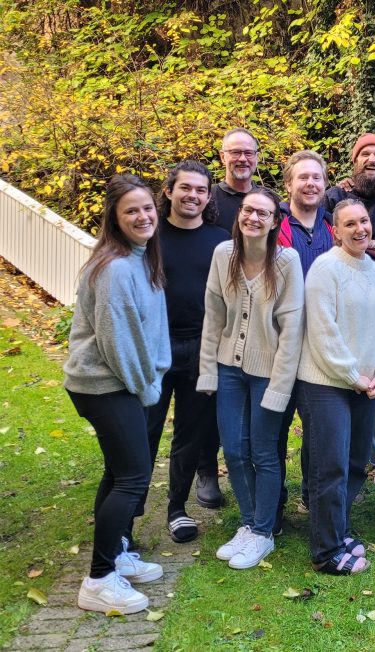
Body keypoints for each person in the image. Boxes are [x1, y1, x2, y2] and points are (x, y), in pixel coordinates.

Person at [64, 174, 169, 614]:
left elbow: (148, 332)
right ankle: (99, 579)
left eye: (147, 208)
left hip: (122, 383)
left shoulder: (141, 259)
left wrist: (149, 379)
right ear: (114, 217)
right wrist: (146, 387)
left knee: (119, 472)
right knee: (133, 478)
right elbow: (118, 342)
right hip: (106, 385)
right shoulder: (116, 268)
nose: (142, 217)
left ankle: (117, 552)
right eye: (131, 211)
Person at [198, 188, 304, 570]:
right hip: (229, 368)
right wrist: (207, 370)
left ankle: (263, 531)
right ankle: (248, 524)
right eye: (247, 210)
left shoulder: (286, 261)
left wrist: (280, 387)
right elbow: (213, 316)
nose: (253, 218)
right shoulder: (223, 255)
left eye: (263, 213)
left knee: (263, 453)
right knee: (233, 450)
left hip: (268, 373)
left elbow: (292, 329)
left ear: (275, 221)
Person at [295, 198, 375, 575]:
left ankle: (337, 530)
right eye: (350, 224)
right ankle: (326, 552)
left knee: (356, 464)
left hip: (367, 385)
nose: (360, 229)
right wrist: (354, 377)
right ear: (336, 232)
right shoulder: (325, 269)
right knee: (331, 466)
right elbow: (323, 333)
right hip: (326, 383)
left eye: (364, 221)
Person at [147, 161, 229, 544]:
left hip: (202, 348)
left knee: (190, 434)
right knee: (145, 431)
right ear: (169, 191)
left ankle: (176, 508)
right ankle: (129, 509)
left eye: (200, 190)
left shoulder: (220, 240)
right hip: (155, 348)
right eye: (185, 188)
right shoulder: (150, 235)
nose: (192, 195)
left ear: (209, 196)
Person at [325, 133, 375, 492]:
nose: (372, 159)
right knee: (337, 398)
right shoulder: (334, 197)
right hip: (340, 304)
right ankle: (334, 472)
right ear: (354, 161)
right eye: (365, 154)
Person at [274, 150, 333, 529]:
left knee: (318, 430)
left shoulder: (334, 228)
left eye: (316, 177)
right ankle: (273, 504)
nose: (310, 183)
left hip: (319, 349)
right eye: (303, 177)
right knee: (275, 431)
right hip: (279, 346)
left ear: (325, 184)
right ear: (289, 184)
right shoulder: (274, 228)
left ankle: (313, 497)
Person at [212, 128, 262, 232]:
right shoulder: (207, 198)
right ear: (223, 157)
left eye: (248, 153)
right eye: (235, 152)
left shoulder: (269, 200)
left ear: (256, 157)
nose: (243, 159)